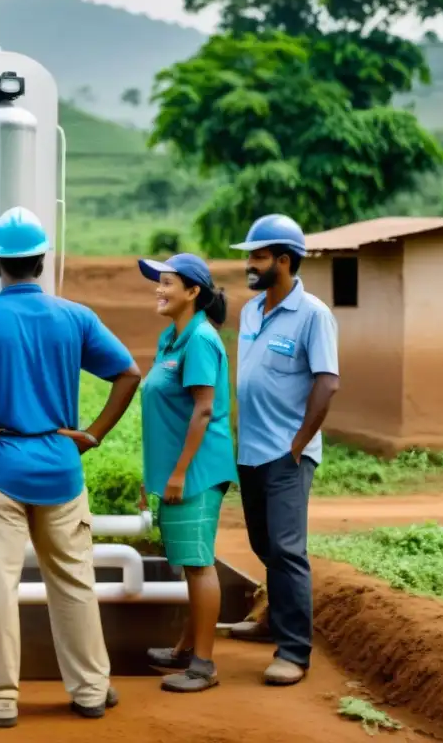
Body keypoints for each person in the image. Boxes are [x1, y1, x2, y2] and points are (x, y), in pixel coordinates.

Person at [0, 206, 142, 728]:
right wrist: (91, 435)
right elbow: (129, 372)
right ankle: (91, 691)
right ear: (42, 262)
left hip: (1, 470)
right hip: (61, 471)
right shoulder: (75, 317)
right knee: (74, 581)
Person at [228, 214, 340, 686]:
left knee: (288, 550)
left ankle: (293, 652)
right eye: (249, 256)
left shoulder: (313, 313)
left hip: (286, 455)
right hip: (251, 450)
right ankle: (272, 619)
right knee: (263, 544)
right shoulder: (251, 310)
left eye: (257, 256)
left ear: (284, 260)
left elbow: (327, 382)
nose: (249, 264)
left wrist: (298, 445)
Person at [135, 253, 238, 693]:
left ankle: (203, 665)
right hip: (177, 471)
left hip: (197, 470)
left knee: (198, 564)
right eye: (158, 282)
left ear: (193, 292)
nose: (158, 289)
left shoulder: (199, 339)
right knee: (190, 562)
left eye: (168, 282)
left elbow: (203, 411)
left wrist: (178, 474)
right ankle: (184, 649)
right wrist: (155, 475)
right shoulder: (171, 338)